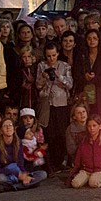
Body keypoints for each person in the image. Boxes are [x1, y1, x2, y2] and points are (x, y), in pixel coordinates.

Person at [36, 42, 73, 170]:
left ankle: (61, 161)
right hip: (47, 104)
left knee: (61, 133)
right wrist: (43, 77)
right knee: (49, 133)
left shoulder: (65, 66)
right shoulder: (41, 66)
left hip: (61, 103)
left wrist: (59, 76)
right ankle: (50, 163)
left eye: (53, 55)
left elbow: (70, 84)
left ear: (57, 54)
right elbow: (38, 85)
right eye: (48, 56)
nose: (51, 58)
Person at [0, 119, 47, 192]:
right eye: (5, 126)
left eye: (10, 125)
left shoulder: (18, 142)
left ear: (14, 129)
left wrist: (24, 175)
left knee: (42, 174)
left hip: (18, 173)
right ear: (1, 130)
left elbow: (20, 164)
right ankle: (24, 185)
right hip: (4, 174)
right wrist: (17, 174)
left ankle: (10, 187)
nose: (8, 127)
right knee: (0, 178)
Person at [66, 114, 101, 188]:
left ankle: (100, 180)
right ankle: (89, 179)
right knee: (75, 183)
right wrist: (70, 177)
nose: (91, 128)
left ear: (100, 126)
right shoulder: (84, 141)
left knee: (93, 183)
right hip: (86, 170)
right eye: (89, 126)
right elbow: (78, 161)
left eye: (94, 126)